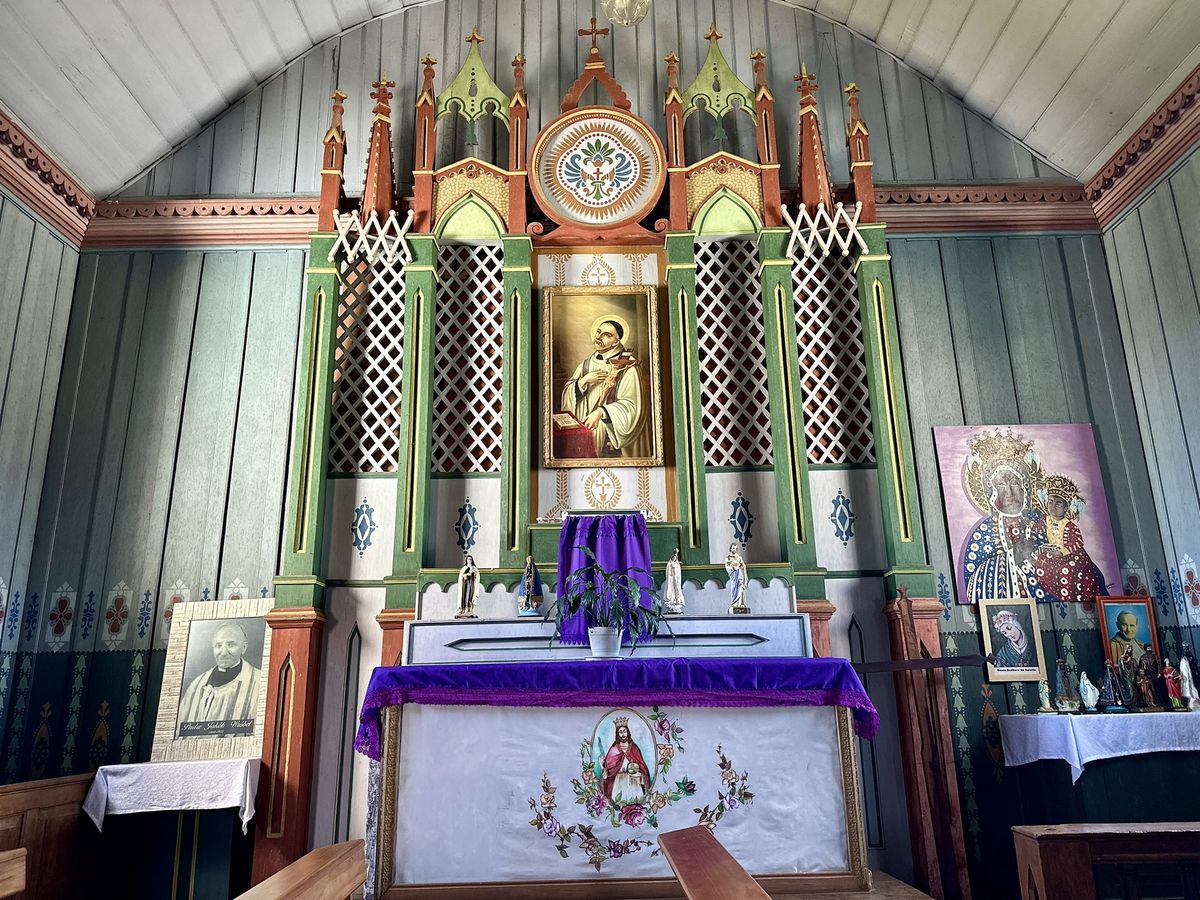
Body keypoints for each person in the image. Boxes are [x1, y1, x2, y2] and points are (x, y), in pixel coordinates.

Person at [960, 431, 1050, 603]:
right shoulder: (982, 533)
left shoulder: (1042, 526)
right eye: (1001, 484)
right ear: (989, 492)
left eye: (1015, 483)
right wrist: (1012, 557)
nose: (1009, 491)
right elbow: (973, 578)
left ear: (1027, 489)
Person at [560, 316, 645, 458]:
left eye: (607, 335)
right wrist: (582, 382)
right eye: (599, 332)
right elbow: (567, 392)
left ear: (617, 341)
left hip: (610, 431)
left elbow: (632, 407)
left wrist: (602, 412)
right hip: (585, 429)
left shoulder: (628, 365)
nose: (599, 337)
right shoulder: (586, 364)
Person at [1031, 473, 1107, 603]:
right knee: (1041, 564)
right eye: (1050, 502)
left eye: (1058, 504)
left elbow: (1077, 541)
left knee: (1070, 572)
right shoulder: (1046, 520)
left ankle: (1071, 598)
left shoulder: (1069, 526)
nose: (1053, 507)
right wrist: (1031, 526)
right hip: (1051, 554)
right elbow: (1038, 528)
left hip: (1071, 556)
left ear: (1066, 508)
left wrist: (1062, 552)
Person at [178, 622, 260, 737]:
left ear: (244, 647)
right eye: (218, 646)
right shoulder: (197, 684)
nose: (224, 652)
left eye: (231, 645)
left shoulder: (258, 681)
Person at [600, 718, 651, 804]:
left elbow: (642, 767)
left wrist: (640, 775)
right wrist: (604, 769)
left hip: (633, 782)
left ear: (628, 732)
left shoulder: (634, 748)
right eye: (620, 732)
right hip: (619, 782)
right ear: (617, 734)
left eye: (624, 731)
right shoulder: (614, 749)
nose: (623, 734)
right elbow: (608, 769)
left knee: (635, 801)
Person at [725, 543, 749, 614]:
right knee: (734, 589)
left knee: (741, 588)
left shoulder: (739, 557)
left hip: (740, 576)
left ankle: (741, 604)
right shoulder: (728, 557)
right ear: (730, 548)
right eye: (733, 548)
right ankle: (734, 604)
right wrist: (734, 567)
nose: (734, 549)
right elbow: (728, 567)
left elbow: (743, 565)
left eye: (735, 548)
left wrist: (741, 566)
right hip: (734, 576)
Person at [455, 554, 480, 619]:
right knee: (466, 595)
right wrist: (466, 575)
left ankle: (470, 609)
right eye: (468, 559)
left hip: (472, 583)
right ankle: (465, 609)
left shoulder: (474, 568)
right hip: (465, 584)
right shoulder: (464, 568)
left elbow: (477, 576)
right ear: (466, 560)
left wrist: (473, 573)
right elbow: (461, 576)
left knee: (471, 596)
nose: (469, 560)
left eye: (470, 559)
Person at [663, 548, 685, 615]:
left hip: (676, 580)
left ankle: (677, 601)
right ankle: (671, 601)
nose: (674, 559)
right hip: (671, 580)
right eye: (673, 558)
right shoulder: (669, 565)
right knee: (670, 590)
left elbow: (678, 572)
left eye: (675, 558)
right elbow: (669, 571)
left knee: (677, 591)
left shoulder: (677, 565)